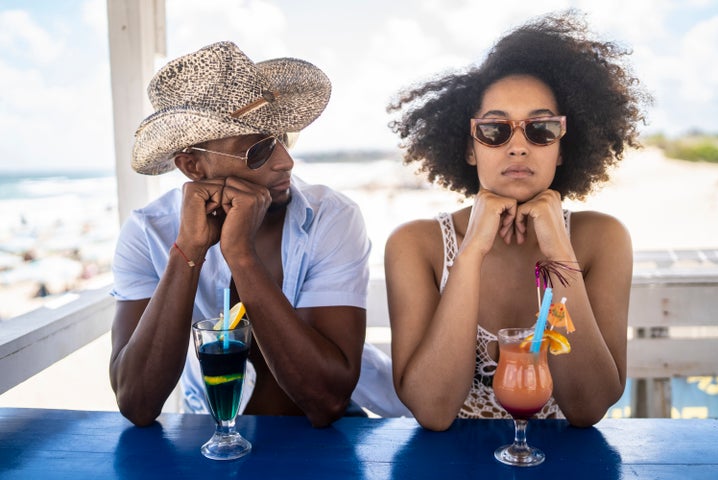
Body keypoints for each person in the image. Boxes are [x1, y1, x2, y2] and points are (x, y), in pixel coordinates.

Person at [384, 11, 650, 431]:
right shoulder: (416, 244)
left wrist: (560, 251)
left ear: (563, 147)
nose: (519, 147)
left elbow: (588, 406)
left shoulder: (603, 239)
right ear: (469, 147)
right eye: (495, 130)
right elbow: (433, 411)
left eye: (541, 128)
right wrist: (470, 253)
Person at [109, 41, 372, 428]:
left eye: (284, 137)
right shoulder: (148, 232)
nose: (286, 160)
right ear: (193, 166)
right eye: (258, 150)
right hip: (207, 438)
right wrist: (189, 252)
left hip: (320, 442)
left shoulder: (331, 217)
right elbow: (137, 402)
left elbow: (327, 401)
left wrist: (240, 255)